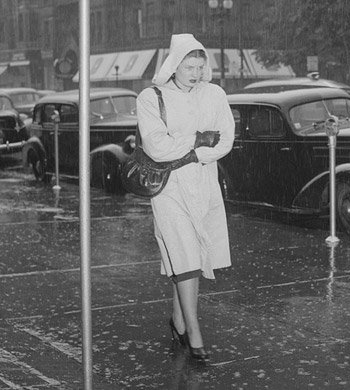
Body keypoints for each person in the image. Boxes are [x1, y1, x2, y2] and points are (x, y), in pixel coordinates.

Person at [136, 34, 235, 363]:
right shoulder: (151, 98)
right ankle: (194, 333)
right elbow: (157, 147)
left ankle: (178, 321)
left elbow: (224, 142)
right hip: (168, 189)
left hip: (205, 185)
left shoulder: (215, 94)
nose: (195, 72)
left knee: (189, 254)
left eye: (200, 65)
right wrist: (197, 141)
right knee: (185, 254)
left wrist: (189, 147)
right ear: (173, 65)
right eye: (188, 66)